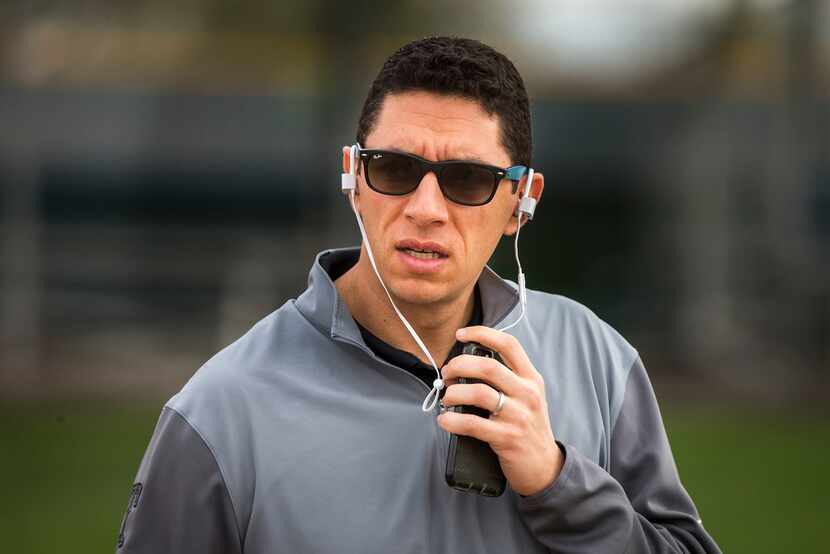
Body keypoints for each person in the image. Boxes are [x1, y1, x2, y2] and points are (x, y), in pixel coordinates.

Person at [116, 36, 721, 553]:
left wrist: (560, 483)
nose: (425, 209)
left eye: (468, 179)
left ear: (521, 201)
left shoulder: (598, 361)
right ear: (353, 178)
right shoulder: (219, 412)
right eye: (395, 169)